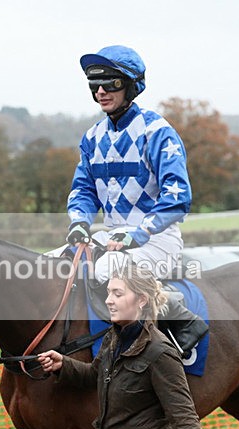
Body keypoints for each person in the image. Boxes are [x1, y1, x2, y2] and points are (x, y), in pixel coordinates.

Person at [38, 264, 215, 429]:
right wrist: (64, 364)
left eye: (118, 293)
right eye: (108, 292)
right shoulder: (114, 339)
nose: (108, 300)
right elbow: (96, 375)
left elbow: (185, 419)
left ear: (141, 300)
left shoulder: (160, 352)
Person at [66, 45, 192, 284]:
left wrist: (141, 232)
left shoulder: (156, 131)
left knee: (105, 275)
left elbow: (179, 196)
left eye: (110, 84)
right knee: (53, 266)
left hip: (157, 239)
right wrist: (80, 222)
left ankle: (170, 317)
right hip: (111, 237)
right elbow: (84, 190)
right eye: (94, 84)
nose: (101, 91)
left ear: (131, 86)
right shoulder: (92, 137)